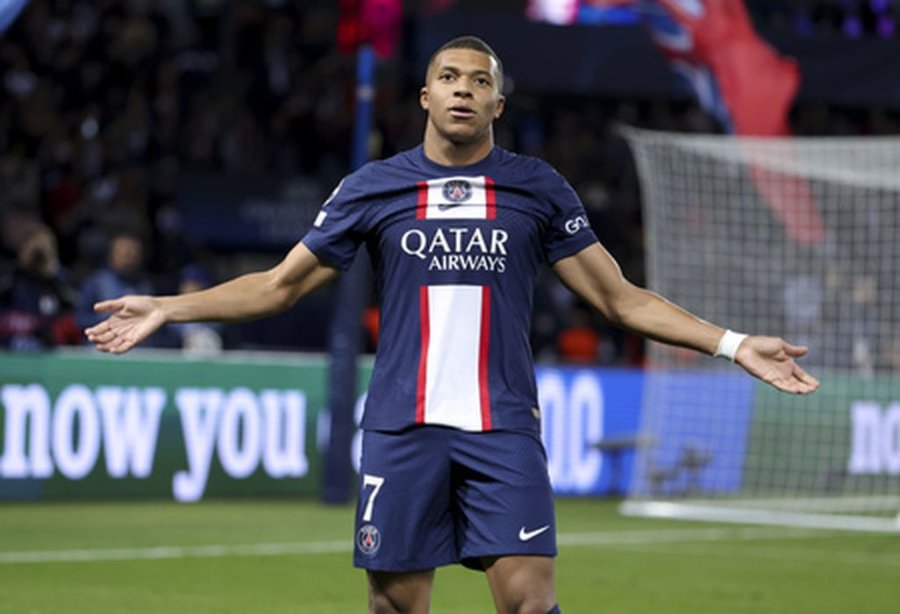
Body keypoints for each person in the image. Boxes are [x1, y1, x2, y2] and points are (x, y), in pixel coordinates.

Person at [85, 36, 819, 614]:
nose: (463, 88)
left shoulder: (537, 188)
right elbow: (279, 286)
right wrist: (168, 306)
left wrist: (734, 344)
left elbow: (620, 299)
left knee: (531, 603)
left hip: (503, 428)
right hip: (403, 427)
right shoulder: (374, 187)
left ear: (498, 102)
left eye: (479, 80)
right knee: (394, 606)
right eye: (448, 77)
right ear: (426, 96)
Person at [0, 222, 80, 351]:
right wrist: (21, 266)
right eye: (33, 248)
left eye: (43, 250)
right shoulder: (10, 278)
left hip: (49, 354)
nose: (38, 256)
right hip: (9, 352)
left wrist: (51, 274)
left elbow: (75, 312)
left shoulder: (61, 280)